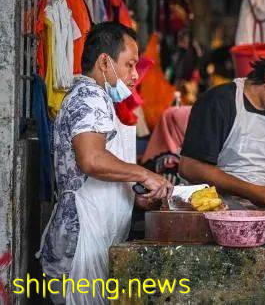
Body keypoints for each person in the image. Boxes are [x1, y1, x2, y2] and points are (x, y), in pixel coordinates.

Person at [38, 23, 173, 304]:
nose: (135, 76)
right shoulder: (89, 98)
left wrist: (133, 199)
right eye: (130, 65)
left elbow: (94, 173)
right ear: (104, 61)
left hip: (92, 235)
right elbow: (92, 160)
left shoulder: (96, 97)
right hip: (80, 240)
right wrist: (144, 175)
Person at [179, 46, 265, 207]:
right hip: (208, 210)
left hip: (260, 214)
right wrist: (251, 191)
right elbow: (190, 167)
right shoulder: (220, 101)